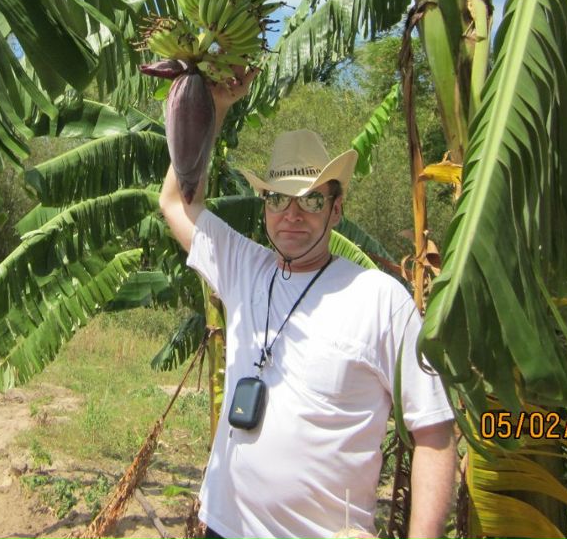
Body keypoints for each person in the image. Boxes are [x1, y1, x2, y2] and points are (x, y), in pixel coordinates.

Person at [159, 68, 457, 539]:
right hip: (221, 526)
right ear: (265, 207)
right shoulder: (244, 268)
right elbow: (176, 201)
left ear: (336, 210)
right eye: (278, 199)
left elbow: (436, 436)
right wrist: (214, 108)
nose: (291, 215)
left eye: (311, 201)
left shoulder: (380, 300)